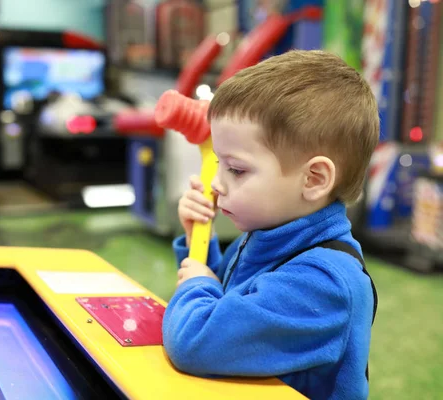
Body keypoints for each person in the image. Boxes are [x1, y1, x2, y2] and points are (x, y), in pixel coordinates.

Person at [162, 50, 379, 400]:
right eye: (218, 162)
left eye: (236, 169)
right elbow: (233, 300)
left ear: (313, 179)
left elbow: (195, 340)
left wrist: (198, 284)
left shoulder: (324, 283)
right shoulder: (267, 236)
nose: (216, 183)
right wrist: (197, 242)